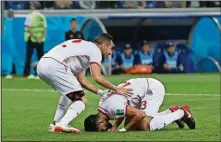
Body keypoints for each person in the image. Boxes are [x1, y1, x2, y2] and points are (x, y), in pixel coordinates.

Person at [37, 33, 132, 133]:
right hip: (56, 65)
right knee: (81, 101)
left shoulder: (85, 48)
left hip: (42, 65)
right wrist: (116, 89)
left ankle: (55, 123)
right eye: (110, 48)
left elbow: (81, 79)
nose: (110, 53)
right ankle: (62, 124)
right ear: (103, 46)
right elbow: (97, 77)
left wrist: (101, 93)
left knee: (68, 94)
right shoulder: (95, 50)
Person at [84, 78, 195, 132]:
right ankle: (171, 111)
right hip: (139, 92)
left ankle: (181, 112)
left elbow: (140, 114)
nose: (104, 130)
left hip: (151, 89)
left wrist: (124, 129)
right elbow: (121, 113)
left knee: (144, 126)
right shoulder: (104, 107)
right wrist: (114, 128)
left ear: (100, 122)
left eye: (101, 129)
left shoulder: (112, 108)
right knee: (134, 126)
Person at [23, 2, 47, 79]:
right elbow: (44, 28)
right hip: (40, 40)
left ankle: (26, 73)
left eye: (31, 5)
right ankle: (41, 74)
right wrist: (40, 38)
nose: (30, 6)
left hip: (31, 39)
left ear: (33, 7)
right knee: (40, 57)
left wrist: (35, 38)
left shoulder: (30, 16)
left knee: (29, 56)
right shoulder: (42, 16)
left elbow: (29, 28)